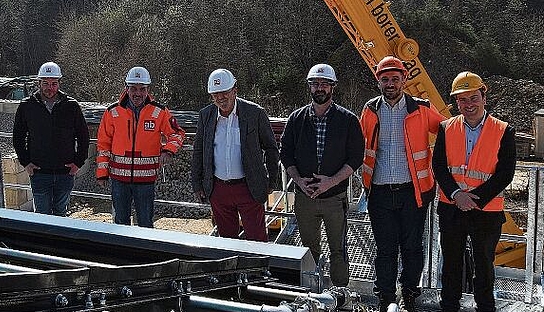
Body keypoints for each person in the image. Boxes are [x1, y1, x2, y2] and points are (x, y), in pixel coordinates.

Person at [359, 55, 444, 312]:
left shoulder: (420, 109)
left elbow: (449, 131)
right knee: (385, 249)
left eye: (395, 79)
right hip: (380, 191)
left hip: (413, 192)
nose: (390, 83)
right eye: (385, 79)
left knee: (411, 248)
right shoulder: (370, 110)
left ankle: (408, 298)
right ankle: (385, 301)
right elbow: (357, 143)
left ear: (404, 79)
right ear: (378, 81)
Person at [432, 72, 515, 312]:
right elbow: (439, 167)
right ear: (456, 102)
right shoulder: (446, 127)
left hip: (486, 212)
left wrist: (474, 198)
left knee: (484, 266)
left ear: (483, 96)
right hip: (452, 207)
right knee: (452, 264)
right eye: (462, 100)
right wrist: (457, 195)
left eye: (473, 98)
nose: (468, 104)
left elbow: (506, 173)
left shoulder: (503, 130)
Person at [280, 64, 364, 286]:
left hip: (335, 199)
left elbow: (355, 158)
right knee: (308, 251)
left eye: (324, 84)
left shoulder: (347, 120)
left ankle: (340, 295)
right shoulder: (297, 119)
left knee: (339, 250)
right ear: (309, 87)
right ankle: (311, 295)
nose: (320, 88)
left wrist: (330, 182)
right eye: (315, 84)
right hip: (304, 198)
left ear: (333, 87)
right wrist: (298, 180)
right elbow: (285, 153)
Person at [191, 68, 279, 242]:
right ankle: (230, 270)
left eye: (224, 93)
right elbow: (199, 150)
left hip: (249, 188)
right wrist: (197, 183)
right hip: (218, 189)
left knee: (257, 240)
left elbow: (271, 148)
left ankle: (257, 270)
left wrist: (271, 180)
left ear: (235, 90)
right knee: (226, 241)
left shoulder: (255, 113)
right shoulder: (206, 115)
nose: (220, 98)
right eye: (215, 95)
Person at [96, 66, 184, 227]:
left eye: (142, 89)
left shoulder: (160, 112)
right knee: (120, 224)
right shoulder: (112, 112)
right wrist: (102, 173)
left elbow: (177, 134)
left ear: (148, 89)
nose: (138, 93)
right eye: (133, 88)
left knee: (145, 223)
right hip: (119, 180)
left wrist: (168, 151)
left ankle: (145, 252)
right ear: (126, 88)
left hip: (146, 180)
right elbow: (103, 144)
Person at [13, 61, 90, 216]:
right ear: (39, 83)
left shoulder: (71, 106)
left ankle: (58, 241)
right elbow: (18, 137)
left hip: (65, 173)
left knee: (61, 213)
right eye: (46, 83)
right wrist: (26, 163)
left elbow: (83, 136)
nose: (50, 88)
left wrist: (78, 162)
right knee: (41, 214)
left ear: (59, 83)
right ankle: (44, 241)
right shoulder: (27, 106)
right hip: (39, 173)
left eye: (54, 83)